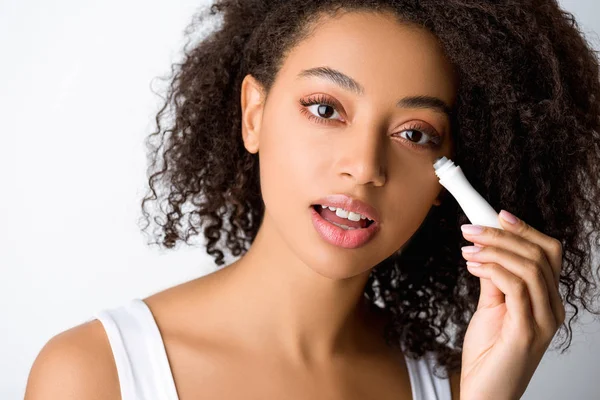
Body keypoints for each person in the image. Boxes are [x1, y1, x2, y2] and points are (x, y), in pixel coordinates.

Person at [25, 0, 600, 399]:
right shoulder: (95, 374)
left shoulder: (462, 385)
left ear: (444, 186)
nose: (366, 166)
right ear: (254, 115)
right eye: (326, 109)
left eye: (415, 134)